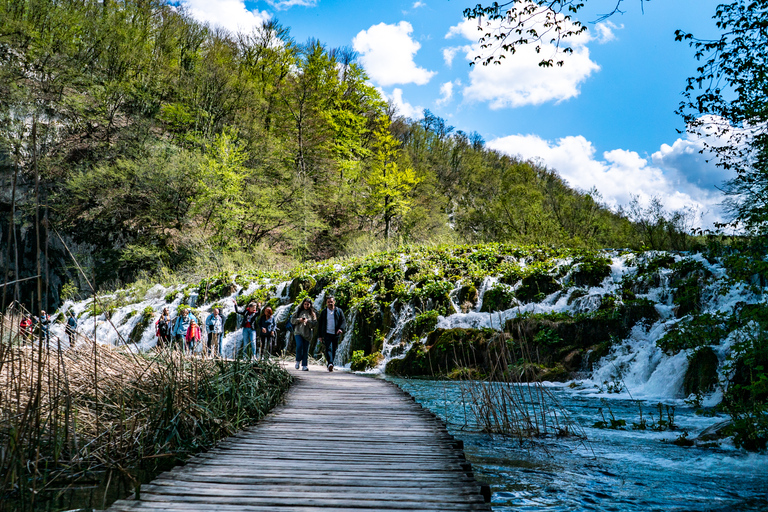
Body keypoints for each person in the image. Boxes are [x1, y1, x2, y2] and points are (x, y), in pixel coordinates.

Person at [317, 295, 346, 372]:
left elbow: (343, 321)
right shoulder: (324, 312)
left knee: (334, 349)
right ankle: (330, 363)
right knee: (328, 348)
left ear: (334, 302)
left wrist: (341, 329)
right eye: (328, 302)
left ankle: (331, 363)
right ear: (326, 303)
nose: (330, 303)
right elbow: (320, 324)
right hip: (327, 333)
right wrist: (320, 335)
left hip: (336, 333)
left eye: (331, 301)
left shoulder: (338, 311)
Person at [291, 298, 316, 371]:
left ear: (310, 305)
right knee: (299, 346)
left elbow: (314, 324)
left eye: (308, 304)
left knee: (305, 350)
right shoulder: (298, 312)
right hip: (298, 332)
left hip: (307, 334)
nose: (306, 306)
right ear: (303, 304)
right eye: (305, 304)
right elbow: (292, 320)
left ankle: (304, 365)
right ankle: (298, 361)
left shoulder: (312, 313)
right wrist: (299, 320)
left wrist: (308, 321)